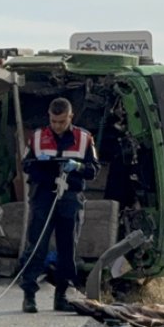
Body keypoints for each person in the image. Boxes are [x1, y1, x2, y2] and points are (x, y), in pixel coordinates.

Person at [19, 97, 98, 313]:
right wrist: (43, 167)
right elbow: (26, 164)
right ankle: (29, 295)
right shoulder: (37, 137)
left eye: (61, 121)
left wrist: (78, 166)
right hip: (43, 196)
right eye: (54, 121)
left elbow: (93, 170)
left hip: (70, 197)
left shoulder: (84, 139)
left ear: (70, 117)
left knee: (67, 249)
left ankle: (61, 295)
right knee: (36, 246)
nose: (57, 126)